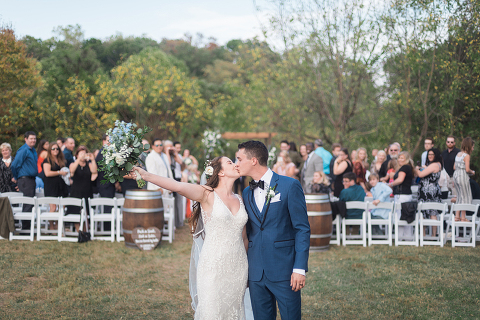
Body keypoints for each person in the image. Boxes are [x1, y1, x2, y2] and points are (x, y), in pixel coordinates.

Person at [133, 156, 249, 319]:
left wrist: (247, 268)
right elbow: (177, 186)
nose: (236, 164)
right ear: (221, 172)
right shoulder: (207, 194)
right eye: (230, 162)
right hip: (213, 267)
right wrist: (146, 175)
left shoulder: (239, 198)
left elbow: (244, 238)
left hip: (238, 268)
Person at [236, 140, 310, 320]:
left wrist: (299, 268)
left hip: (284, 270)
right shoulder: (246, 192)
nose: (236, 163)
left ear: (253, 160)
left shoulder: (289, 185)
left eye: (239, 159)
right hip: (255, 271)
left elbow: (302, 229)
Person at [11, 131, 38, 226]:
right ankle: (26, 229)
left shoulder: (33, 150)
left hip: (31, 180)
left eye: (34, 138)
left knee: (30, 203)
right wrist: (16, 177)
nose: (33, 140)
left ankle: (28, 227)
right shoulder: (23, 150)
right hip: (25, 180)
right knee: (28, 203)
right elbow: (14, 165)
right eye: (31, 138)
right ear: (25, 139)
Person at [68, 146, 98, 231]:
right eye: (81, 153)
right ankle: (79, 230)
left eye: (84, 153)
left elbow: (94, 172)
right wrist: (78, 159)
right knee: (75, 211)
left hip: (87, 191)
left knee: (87, 212)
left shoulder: (89, 164)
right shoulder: (73, 164)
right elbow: (72, 171)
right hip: (76, 191)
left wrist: (92, 159)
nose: (83, 155)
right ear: (76, 155)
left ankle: (85, 230)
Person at [414, 148, 443, 235]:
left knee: (429, 213)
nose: (430, 156)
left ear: (436, 155)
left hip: (428, 192)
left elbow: (420, 174)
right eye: (429, 154)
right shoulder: (436, 164)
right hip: (430, 190)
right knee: (429, 212)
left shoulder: (434, 165)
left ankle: (431, 235)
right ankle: (429, 235)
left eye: (432, 154)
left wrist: (415, 168)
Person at [42, 141, 69, 231]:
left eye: (57, 148)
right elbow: (47, 173)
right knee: (53, 207)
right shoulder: (47, 160)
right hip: (51, 186)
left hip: (61, 185)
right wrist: (59, 172)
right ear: (50, 150)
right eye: (53, 148)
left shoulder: (61, 160)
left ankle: (58, 225)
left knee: (61, 207)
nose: (55, 150)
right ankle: (51, 226)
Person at [388, 151, 414, 238]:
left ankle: (402, 237)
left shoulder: (405, 167)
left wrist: (390, 185)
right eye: (399, 158)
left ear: (406, 159)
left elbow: (400, 180)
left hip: (402, 195)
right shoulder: (408, 167)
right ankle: (405, 237)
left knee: (401, 216)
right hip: (405, 194)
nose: (399, 159)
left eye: (402, 158)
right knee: (405, 215)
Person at [453, 137, 475, 222]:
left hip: (456, 175)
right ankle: (463, 217)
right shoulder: (467, 156)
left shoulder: (458, 154)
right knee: (465, 196)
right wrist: (472, 172)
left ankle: (457, 216)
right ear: (469, 146)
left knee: (459, 195)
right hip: (462, 176)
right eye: (472, 147)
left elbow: (454, 167)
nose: (473, 149)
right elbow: (467, 169)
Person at [95, 134, 115, 214]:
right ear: (104, 141)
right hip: (105, 185)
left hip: (108, 185)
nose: (110, 143)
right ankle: (107, 227)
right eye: (108, 141)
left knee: (110, 208)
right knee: (108, 209)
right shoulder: (102, 153)